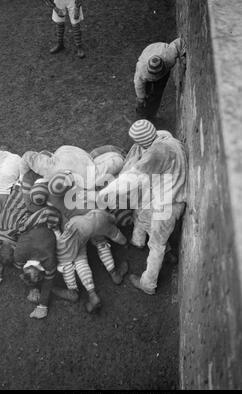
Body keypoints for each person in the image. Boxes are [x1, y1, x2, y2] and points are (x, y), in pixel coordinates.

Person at [98, 119, 187, 295]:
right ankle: (141, 243)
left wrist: (105, 191)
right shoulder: (170, 142)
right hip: (172, 197)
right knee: (144, 214)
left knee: (156, 245)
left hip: (166, 205)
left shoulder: (156, 153)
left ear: (141, 142)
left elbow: (131, 177)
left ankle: (148, 284)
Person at [0, 182, 61, 290]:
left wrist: (56, 230)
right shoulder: (0, 229)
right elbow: (0, 248)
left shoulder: (21, 227)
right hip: (18, 186)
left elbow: (46, 212)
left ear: (15, 247)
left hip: (30, 186)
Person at [54, 209, 128, 312]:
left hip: (74, 225)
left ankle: (91, 294)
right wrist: (125, 242)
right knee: (100, 241)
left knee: (80, 258)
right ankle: (114, 273)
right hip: (91, 216)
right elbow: (114, 230)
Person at [134, 39, 184, 120]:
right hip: (150, 51)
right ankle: (141, 114)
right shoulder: (141, 71)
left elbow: (180, 42)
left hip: (162, 62)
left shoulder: (169, 55)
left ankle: (152, 114)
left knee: (157, 93)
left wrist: (183, 57)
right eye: (153, 75)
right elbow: (138, 85)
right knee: (144, 95)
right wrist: (141, 98)